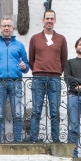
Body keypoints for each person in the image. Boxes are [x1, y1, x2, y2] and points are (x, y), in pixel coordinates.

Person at [0, 17, 29, 143]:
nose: (6, 28)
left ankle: (17, 142)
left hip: (16, 82)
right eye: (4, 26)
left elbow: (26, 66)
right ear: (0, 28)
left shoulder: (19, 45)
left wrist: (24, 67)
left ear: (12, 28)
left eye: (9, 26)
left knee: (18, 112)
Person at [28, 10, 67, 143]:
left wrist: (56, 71)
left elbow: (64, 59)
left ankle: (55, 139)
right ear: (43, 20)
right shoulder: (35, 38)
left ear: (55, 21)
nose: (49, 21)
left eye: (52, 18)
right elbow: (31, 59)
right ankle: (33, 138)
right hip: (38, 78)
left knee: (54, 111)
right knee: (36, 110)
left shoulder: (61, 39)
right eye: (47, 18)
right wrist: (38, 70)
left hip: (55, 78)